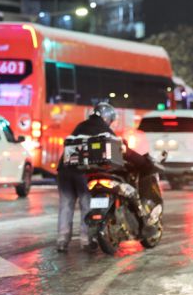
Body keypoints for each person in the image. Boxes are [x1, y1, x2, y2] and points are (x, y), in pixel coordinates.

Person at [57, 102, 161, 252]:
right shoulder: (104, 132)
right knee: (87, 205)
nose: (110, 123)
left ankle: (62, 241)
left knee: (65, 206)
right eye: (110, 120)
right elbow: (123, 151)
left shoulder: (80, 126)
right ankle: (86, 241)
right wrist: (143, 162)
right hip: (84, 172)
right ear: (107, 118)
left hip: (65, 171)